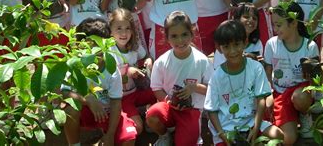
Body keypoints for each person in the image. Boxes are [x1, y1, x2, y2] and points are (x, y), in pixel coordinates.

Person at [205, 20, 283, 146]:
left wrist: (256, 128)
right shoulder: (217, 76)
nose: (232, 51)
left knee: (278, 135)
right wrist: (221, 134)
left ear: (245, 43)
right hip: (227, 128)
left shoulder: (256, 67)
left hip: (252, 122)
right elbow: (211, 110)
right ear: (219, 49)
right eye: (226, 46)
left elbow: (261, 100)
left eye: (236, 44)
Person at [62, 17, 137, 146]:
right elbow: (64, 92)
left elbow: (116, 103)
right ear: (80, 45)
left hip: (107, 113)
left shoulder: (111, 66)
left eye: (99, 45)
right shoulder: (74, 63)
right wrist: (87, 99)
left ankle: (105, 133)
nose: (95, 51)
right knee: (70, 111)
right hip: (86, 111)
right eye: (90, 45)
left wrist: (110, 135)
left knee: (129, 139)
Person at [146, 11, 214, 146]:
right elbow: (156, 88)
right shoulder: (162, 61)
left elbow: (212, 88)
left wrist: (193, 88)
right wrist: (168, 100)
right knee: (152, 114)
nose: (180, 41)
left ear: (192, 34)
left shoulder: (201, 60)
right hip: (170, 108)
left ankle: (187, 131)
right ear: (167, 38)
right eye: (174, 36)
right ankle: (165, 135)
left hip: (192, 110)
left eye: (184, 35)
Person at [264, 2, 318, 145]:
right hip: (280, 93)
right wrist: (268, 92)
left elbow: (317, 75)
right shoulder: (271, 44)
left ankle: (305, 115)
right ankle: (293, 118)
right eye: (274, 25)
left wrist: (319, 97)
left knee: (299, 97)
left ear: (293, 23)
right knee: (288, 140)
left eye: (279, 25)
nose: (275, 29)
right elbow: (268, 70)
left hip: (302, 92)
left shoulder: (309, 46)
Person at [109, 8, 156, 134]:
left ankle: (149, 115)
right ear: (110, 31)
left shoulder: (135, 46)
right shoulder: (109, 50)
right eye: (119, 28)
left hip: (137, 91)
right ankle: (132, 117)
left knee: (158, 92)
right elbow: (107, 74)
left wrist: (148, 61)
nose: (124, 33)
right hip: (121, 98)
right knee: (137, 129)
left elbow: (145, 56)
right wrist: (127, 70)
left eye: (127, 28)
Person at [213, 3, 262, 69]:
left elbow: (258, 66)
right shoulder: (225, 40)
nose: (251, 20)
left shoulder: (257, 43)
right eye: (246, 17)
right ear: (237, 19)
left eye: (254, 18)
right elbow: (218, 68)